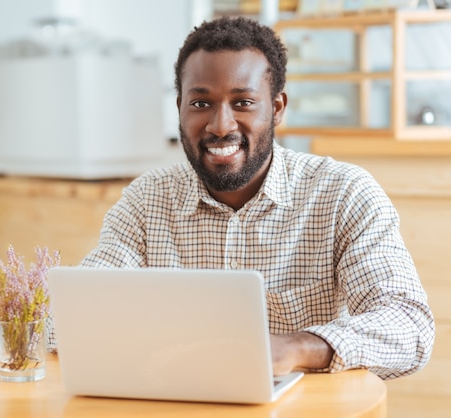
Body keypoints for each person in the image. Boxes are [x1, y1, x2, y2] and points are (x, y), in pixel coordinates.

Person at [79, 16, 434, 380]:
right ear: (180, 108)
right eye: (201, 104)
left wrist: (297, 347)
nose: (220, 126)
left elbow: (409, 326)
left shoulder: (343, 193)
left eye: (243, 102)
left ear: (277, 107)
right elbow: (76, 315)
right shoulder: (146, 201)